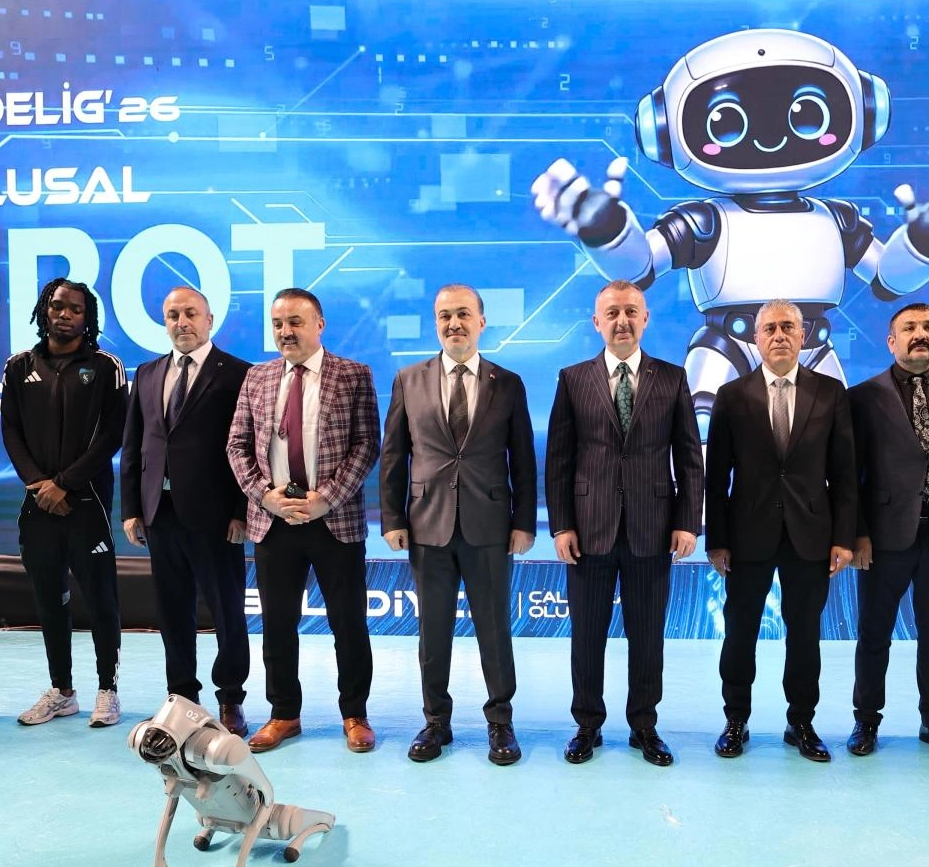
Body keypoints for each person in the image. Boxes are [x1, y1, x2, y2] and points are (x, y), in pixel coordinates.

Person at [546, 280, 703, 766]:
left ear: (645, 318)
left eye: (631, 311)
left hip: (652, 529)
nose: (622, 321)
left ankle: (644, 726)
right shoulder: (573, 379)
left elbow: (689, 458)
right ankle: (587, 725)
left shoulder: (672, 378)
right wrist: (561, 526)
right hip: (588, 530)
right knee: (586, 637)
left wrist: (688, 522)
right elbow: (559, 460)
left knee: (648, 637)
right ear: (597, 322)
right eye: (612, 312)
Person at [380, 284, 537, 764]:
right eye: (445, 315)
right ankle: (436, 721)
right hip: (427, 525)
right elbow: (394, 455)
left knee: (495, 629)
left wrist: (524, 522)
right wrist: (392, 517)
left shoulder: (507, 383)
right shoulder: (409, 379)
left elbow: (523, 461)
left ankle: (500, 721)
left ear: (481, 322)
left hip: (490, 526)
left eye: (464, 314)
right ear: (436, 323)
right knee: (433, 631)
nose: (454, 323)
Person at [226, 288, 381, 754]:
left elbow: (367, 445)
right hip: (273, 521)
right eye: (278, 323)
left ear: (319, 325)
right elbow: (236, 445)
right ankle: (284, 714)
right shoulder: (257, 377)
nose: (285, 331)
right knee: (277, 624)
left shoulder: (353, 375)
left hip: (334, 520)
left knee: (348, 623)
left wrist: (325, 499)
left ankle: (355, 714)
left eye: (295, 321)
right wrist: (265, 496)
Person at [705, 299, 857, 762]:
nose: (779, 335)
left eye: (788, 327)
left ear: (803, 334)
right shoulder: (731, 395)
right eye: (769, 328)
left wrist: (844, 537)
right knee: (740, 632)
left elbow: (845, 474)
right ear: (756, 338)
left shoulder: (831, 393)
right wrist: (717, 540)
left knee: (805, 634)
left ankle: (802, 722)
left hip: (812, 534)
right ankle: (736, 719)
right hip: (747, 534)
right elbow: (717, 476)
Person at [846, 302, 929, 762]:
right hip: (883, 539)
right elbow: (850, 473)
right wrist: (858, 533)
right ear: (892, 341)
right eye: (909, 328)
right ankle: (866, 720)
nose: (919, 333)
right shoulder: (863, 397)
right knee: (874, 635)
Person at [122, 286, 254, 735]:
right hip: (159, 513)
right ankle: (181, 698)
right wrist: (132, 508)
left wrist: (241, 511)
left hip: (217, 517)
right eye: (173, 314)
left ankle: (231, 698)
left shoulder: (238, 373)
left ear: (209, 319)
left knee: (227, 611)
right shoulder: (147, 373)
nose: (182, 322)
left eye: (191, 313)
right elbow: (134, 446)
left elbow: (248, 447)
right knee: (172, 611)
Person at [1, 278, 128, 729]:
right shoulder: (18, 366)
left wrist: (65, 485)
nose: (65, 314)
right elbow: (11, 431)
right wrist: (39, 484)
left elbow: (112, 435)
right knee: (50, 600)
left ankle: (108, 690)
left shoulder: (106, 366)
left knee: (101, 600)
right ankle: (62, 691)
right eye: (57, 306)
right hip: (37, 506)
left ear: (86, 316)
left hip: (86, 505)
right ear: (44, 310)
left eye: (75, 309)